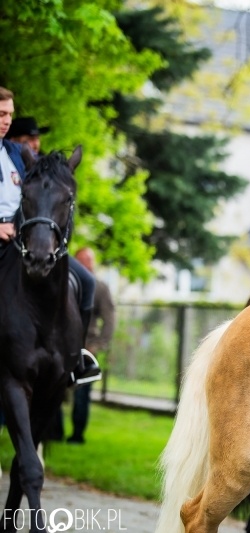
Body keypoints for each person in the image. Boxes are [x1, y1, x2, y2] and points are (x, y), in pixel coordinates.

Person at [0, 87, 100, 385]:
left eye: (9, 114)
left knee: (86, 281)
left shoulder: (17, 153)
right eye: (1, 114)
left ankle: (76, 358)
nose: (6, 121)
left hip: (24, 240)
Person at [66, 247, 115, 444]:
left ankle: (77, 435)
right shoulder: (64, 282)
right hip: (60, 345)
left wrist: (97, 345)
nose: (87, 262)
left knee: (81, 395)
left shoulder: (99, 287)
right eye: (82, 259)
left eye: (90, 259)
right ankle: (53, 432)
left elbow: (110, 320)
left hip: (84, 348)